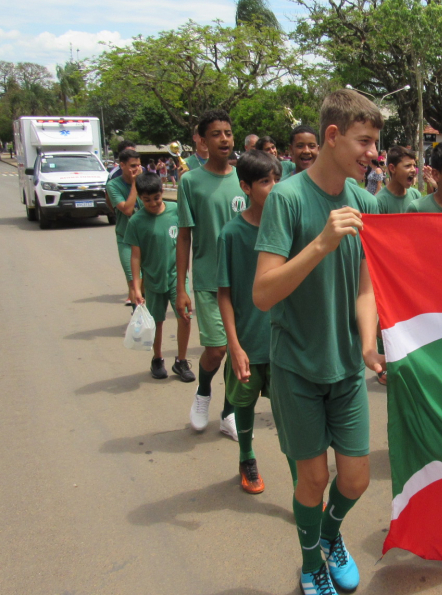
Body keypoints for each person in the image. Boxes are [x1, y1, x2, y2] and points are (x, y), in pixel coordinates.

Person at [253, 89, 384, 595]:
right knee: (312, 481)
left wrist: (368, 345)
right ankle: (310, 564)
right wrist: (322, 242)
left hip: (347, 367)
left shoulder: (365, 201)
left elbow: (364, 287)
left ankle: (330, 537)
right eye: (364, 142)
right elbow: (263, 293)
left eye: (375, 143)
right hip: (297, 367)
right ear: (332, 136)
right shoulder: (286, 199)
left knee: (354, 480)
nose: (372, 153)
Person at [216, 149, 294, 494]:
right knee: (244, 404)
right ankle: (247, 456)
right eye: (265, 181)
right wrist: (234, 345)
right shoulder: (232, 234)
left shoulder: (291, 226)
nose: (274, 187)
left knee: (291, 416)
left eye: (277, 178)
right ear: (245, 186)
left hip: (285, 342)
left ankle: (302, 481)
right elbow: (225, 294)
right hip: (248, 341)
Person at [177, 109, 246, 440]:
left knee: (239, 352)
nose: (224, 139)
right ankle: (203, 392)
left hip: (245, 282)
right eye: (216, 134)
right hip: (208, 281)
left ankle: (229, 412)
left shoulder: (245, 178)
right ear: (202, 141)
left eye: (228, 133)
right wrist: (181, 287)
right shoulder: (190, 181)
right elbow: (184, 237)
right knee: (217, 349)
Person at [125, 172, 195, 382]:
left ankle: (181, 361)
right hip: (153, 280)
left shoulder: (176, 212)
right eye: (146, 200)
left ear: (162, 192)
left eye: (156, 198)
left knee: (185, 317)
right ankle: (157, 358)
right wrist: (137, 289)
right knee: (157, 322)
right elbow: (135, 257)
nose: (153, 203)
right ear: (140, 199)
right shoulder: (136, 222)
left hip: (177, 278)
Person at [106, 149, 143, 304]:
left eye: (139, 165)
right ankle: (139, 322)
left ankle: (147, 319)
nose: (137, 169)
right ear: (122, 165)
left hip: (146, 239)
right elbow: (127, 209)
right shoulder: (113, 185)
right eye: (133, 166)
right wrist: (135, 184)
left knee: (146, 284)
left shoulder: (146, 181)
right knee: (135, 283)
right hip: (126, 239)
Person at [375, 146, 421, 214]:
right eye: (408, 166)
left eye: (414, 166)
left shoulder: (416, 195)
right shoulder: (380, 201)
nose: (413, 170)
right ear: (392, 168)